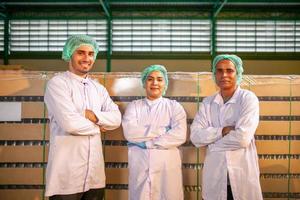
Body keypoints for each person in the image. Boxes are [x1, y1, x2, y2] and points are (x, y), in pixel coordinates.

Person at [44, 35, 121, 200]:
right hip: (66, 177)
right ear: (69, 54)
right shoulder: (57, 84)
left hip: (95, 176)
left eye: (91, 54)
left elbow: (116, 119)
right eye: (81, 53)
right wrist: (99, 126)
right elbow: (70, 124)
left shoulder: (98, 88)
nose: (87, 58)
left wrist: (92, 115)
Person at [190, 54, 263, 200]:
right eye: (219, 70)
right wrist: (223, 131)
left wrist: (211, 144)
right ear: (214, 74)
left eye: (229, 70)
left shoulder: (248, 98)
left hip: (242, 173)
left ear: (238, 73)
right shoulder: (208, 103)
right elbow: (196, 137)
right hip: (215, 175)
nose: (224, 75)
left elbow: (242, 138)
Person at [122, 65, 187, 200]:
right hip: (140, 166)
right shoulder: (134, 106)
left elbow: (180, 135)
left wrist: (147, 143)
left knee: (168, 195)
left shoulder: (174, 107)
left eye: (159, 79)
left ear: (165, 84)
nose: (155, 83)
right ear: (144, 83)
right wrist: (164, 130)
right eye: (150, 79)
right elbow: (130, 133)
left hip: (167, 168)